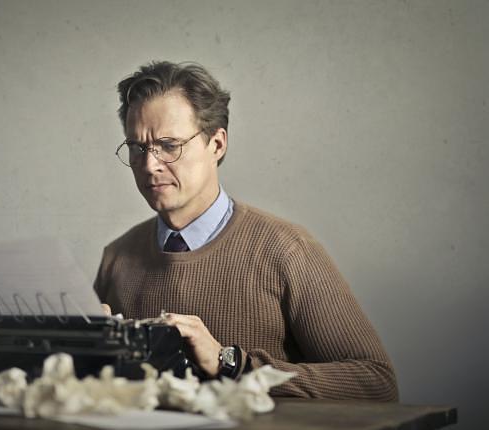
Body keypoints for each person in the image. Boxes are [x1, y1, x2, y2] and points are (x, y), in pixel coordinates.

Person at [94, 61, 398, 401]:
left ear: (217, 144)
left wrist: (232, 363)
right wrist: (82, 355)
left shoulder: (288, 249)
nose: (150, 165)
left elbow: (377, 383)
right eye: (138, 147)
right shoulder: (116, 258)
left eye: (169, 145)